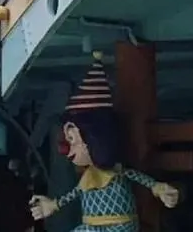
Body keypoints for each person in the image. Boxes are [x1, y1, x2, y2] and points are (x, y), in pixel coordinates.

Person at [29, 57, 179, 230]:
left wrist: (158, 188)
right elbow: (74, 194)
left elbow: (136, 176)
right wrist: (52, 205)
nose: (65, 148)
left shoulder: (118, 172)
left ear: (95, 139)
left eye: (72, 140)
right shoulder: (89, 178)